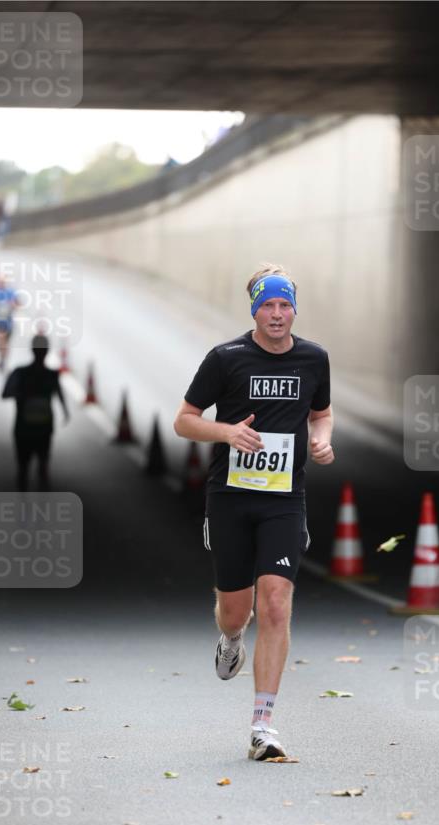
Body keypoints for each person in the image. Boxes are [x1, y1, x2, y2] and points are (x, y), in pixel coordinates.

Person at [174, 264, 334, 760]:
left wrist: (322, 439)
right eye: (269, 305)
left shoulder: (314, 358)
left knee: (276, 601)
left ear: (294, 309)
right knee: (236, 610)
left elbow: (322, 413)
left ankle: (263, 724)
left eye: (285, 305)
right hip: (230, 497)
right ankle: (229, 639)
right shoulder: (226, 359)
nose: (278, 314)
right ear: (254, 310)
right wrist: (227, 433)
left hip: (285, 500)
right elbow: (183, 421)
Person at [1, 332, 69, 490]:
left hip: (23, 428)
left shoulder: (20, 373)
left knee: (23, 468)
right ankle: (43, 501)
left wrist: (22, 394)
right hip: (44, 428)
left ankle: (23, 502)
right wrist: (65, 412)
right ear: (47, 351)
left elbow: (5, 393)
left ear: (32, 349)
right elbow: (59, 394)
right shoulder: (51, 375)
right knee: (42, 467)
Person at [0, 275, 19, 371]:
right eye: (0, 283)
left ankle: (3, 359)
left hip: (8, 321)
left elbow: (17, 303)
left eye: (3, 283)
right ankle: (1, 359)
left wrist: (12, 304)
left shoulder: (11, 292)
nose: (2, 284)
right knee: (0, 340)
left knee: (6, 343)